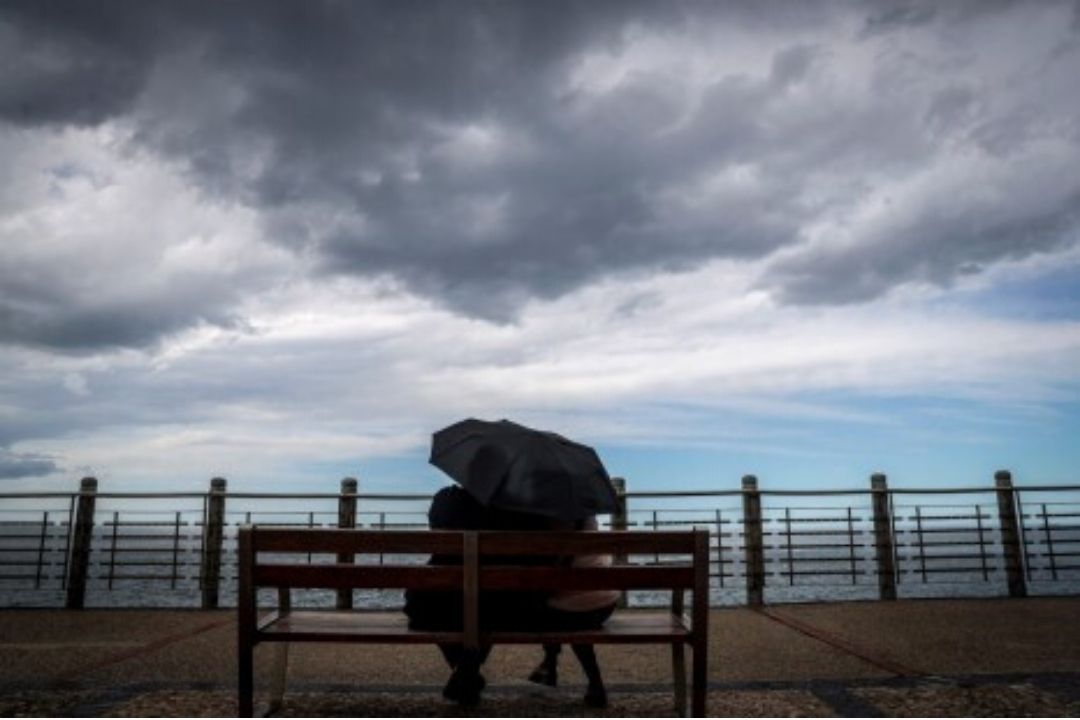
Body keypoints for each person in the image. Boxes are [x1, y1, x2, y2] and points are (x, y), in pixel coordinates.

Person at [403, 485, 550, 706]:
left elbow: (435, 530)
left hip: (440, 602)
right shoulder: (517, 506)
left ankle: (464, 670)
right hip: (505, 605)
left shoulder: (446, 498)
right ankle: (467, 671)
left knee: (421, 609)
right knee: (487, 610)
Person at [527, 515, 619, 708]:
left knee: (551, 608)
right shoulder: (588, 517)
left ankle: (557, 666)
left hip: (573, 611)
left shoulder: (551, 520)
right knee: (567, 610)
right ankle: (552, 665)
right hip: (606, 603)